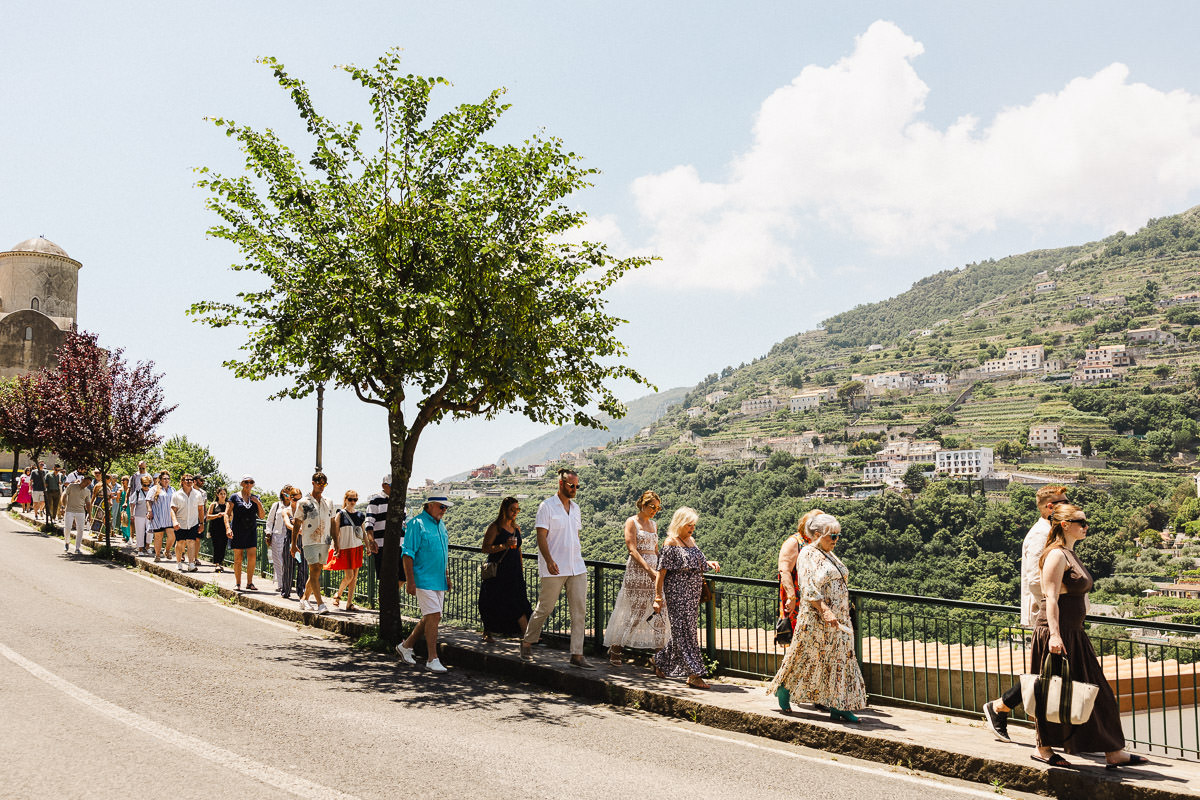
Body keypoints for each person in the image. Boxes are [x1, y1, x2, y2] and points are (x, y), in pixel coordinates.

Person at [1029, 504, 1148, 769]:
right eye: (1080, 521)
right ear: (1064, 524)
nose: (1086, 526)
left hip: (1074, 633)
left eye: (1085, 521)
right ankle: (1043, 749)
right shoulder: (1056, 555)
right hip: (1056, 633)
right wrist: (1055, 637)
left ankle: (1112, 752)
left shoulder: (1070, 554)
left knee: (1098, 693)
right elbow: (1050, 598)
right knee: (1051, 692)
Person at [982, 485, 1068, 741]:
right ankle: (1000, 707)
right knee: (1045, 673)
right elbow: (1034, 580)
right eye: (1063, 501)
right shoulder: (1040, 536)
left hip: (1057, 615)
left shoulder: (1053, 532)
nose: (1069, 504)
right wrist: (1060, 600)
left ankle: (1003, 708)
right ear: (1050, 507)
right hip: (1048, 615)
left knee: (1049, 672)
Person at [765, 513, 867, 722]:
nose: (836, 540)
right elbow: (808, 587)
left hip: (839, 618)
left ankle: (839, 705)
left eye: (838, 535)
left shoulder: (828, 553)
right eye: (833, 536)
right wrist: (825, 610)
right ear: (818, 535)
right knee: (805, 655)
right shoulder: (808, 554)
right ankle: (784, 688)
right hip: (817, 618)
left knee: (841, 660)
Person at [520, 469, 594, 669]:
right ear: (561, 484)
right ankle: (527, 642)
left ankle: (577, 655)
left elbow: (575, 536)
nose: (575, 489)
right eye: (572, 485)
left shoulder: (576, 508)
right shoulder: (547, 507)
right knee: (545, 607)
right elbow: (541, 536)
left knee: (579, 611)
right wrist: (549, 560)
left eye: (577, 486)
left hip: (576, 566)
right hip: (554, 566)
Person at [651, 507, 720, 689]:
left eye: (693, 526)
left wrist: (708, 563)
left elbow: (696, 561)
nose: (692, 529)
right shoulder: (670, 543)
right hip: (677, 593)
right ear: (680, 524)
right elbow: (661, 572)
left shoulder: (691, 541)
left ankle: (658, 660)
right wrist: (658, 597)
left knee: (683, 631)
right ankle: (694, 674)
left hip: (693, 594)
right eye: (689, 525)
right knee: (686, 632)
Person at [603, 491, 669, 665]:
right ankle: (616, 647)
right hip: (637, 571)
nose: (655, 510)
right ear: (643, 505)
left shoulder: (654, 525)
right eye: (652, 506)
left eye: (658, 507)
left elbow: (655, 550)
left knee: (660, 610)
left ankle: (659, 656)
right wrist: (648, 570)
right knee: (636, 613)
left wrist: (662, 567)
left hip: (654, 570)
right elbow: (632, 549)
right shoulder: (632, 522)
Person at [773, 508, 825, 711]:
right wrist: (791, 596)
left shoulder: (818, 543)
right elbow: (784, 569)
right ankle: (785, 687)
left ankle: (813, 692)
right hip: (797, 604)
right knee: (797, 648)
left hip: (814, 603)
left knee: (815, 648)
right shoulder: (795, 542)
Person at [396, 495, 452, 673]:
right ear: (430, 506)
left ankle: (406, 646)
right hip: (423, 578)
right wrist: (410, 581)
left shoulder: (441, 525)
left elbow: (442, 553)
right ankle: (432, 658)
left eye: (445, 508)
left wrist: (447, 575)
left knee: (431, 617)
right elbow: (407, 554)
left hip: (438, 579)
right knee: (434, 615)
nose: (444, 510)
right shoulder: (416, 524)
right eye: (441, 507)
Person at [478, 497, 533, 643]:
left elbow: (519, 551)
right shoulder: (495, 527)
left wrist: (520, 569)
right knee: (492, 601)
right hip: (499, 571)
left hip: (514, 571)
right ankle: (488, 631)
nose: (515, 512)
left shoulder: (517, 528)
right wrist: (504, 545)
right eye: (512, 509)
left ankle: (527, 635)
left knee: (520, 601)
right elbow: (485, 549)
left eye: (517, 509)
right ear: (505, 510)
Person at [291, 472, 334, 612]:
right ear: (313, 483)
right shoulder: (304, 502)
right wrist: (293, 544)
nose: (321, 487)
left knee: (316, 572)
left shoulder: (329, 501)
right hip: (309, 540)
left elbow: (333, 523)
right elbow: (297, 523)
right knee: (314, 569)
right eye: (319, 483)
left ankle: (304, 599)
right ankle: (320, 603)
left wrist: (337, 542)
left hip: (325, 540)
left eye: (324, 484)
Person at [327, 490, 366, 611]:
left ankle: (349, 603)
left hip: (357, 547)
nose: (353, 502)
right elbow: (336, 532)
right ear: (345, 499)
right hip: (345, 547)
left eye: (355, 499)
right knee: (349, 576)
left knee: (354, 577)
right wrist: (336, 547)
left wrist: (368, 546)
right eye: (350, 499)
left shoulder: (360, 515)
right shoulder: (341, 514)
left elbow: (364, 533)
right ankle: (338, 594)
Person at [225, 474, 265, 591]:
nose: (248, 484)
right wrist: (228, 527)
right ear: (241, 484)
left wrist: (258, 503)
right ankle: (238, 583)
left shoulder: (255, 498)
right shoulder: (234, 497)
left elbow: (262, 516)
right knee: (238, 558)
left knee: (252, 557)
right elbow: (227, 514)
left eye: (251, 482)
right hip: (237, 530)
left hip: (251, 530)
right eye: (246, 482)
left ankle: (250, 583)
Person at [364, 475, 402, 586]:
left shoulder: (399, 501)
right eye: (392, 486)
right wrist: (371, 541)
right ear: (384, 486)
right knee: (385, 578)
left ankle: (388, 600)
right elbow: (369, 522)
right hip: (381, 545)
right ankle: (386, 601)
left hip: (400, 545)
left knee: (402, 577)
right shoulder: (375, 501)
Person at [171, 474, 205, 571]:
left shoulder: (197, 494)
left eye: (191, 480)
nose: (189, 481)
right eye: (187, 480)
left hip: (193, 523)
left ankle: (191, 564)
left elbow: (200, 509)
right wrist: (174, 521)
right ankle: (178, 562)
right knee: (180, 542)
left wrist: (201, 523)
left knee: (191, 542)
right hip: (180, 522)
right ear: (182, 482)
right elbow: (172, 510)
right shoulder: (177, 495)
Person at [266, 484, 296, 592]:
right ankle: (281, 583)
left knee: (287, 560)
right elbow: (270, 521)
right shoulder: (277, 505)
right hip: (277, 535)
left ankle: (287, 582)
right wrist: (268, 533)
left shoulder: (294, 506)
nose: (288, 495)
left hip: (289, 535)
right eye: (286, 492)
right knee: (278, 560)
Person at [147, 471, 175, 561]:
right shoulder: (154, 489)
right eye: (164, 479)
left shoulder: (173, 489)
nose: (166, 480)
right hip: (158, 515)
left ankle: (167, 551)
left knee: (172, 536)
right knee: (158, 536)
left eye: (168, 479)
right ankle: (158, 555)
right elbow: (148, 500)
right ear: (160, 480)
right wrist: (149, 511)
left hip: (169, 516)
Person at [62, 475, 93, 554]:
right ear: (83, 480)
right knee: (67, 528)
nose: (87, 484)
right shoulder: (72, 486)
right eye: (86, 482)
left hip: (80, 512)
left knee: (80, 529)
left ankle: (77, 548)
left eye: (89, 484)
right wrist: (63, 506)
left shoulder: (87, 491)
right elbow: (64, 495)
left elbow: (88, 503)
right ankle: (67, 542)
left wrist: (90, 515)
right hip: (69, 510)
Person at [206, 487, 230, 572]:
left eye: (224, 494)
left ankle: (220, 562)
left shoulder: (228, 505)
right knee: (216, 545)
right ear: (217, 495)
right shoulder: (214, 504)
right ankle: (217, 564)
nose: (223, 495)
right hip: (215, 528)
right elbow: (208, 516)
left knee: (223, 546)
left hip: (224, 528)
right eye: (221, 494)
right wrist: (218, 515)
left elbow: (231, 516)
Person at [128, 474, 153, 555]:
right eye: (144, 485)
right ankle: (140, 549)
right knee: (140, 532)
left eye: (148, 485)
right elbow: (132, 504)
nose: (146, 486)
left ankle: (148, 546)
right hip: (139, 515)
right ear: (141, 484)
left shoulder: (152, 492)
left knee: (150, 532)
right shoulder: (138, 492)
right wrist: (132, 514)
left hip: (149, 516)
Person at [116, 476, 131, 542]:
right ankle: (125, 535)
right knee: (123, 521)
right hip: (123, 506)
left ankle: (129, 536)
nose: (123, 481)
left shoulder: (130, 489)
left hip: (129, 506)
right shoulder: (120, 489)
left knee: (128, 520)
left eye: (125, 480)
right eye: (122, 480)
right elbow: (117, 500)